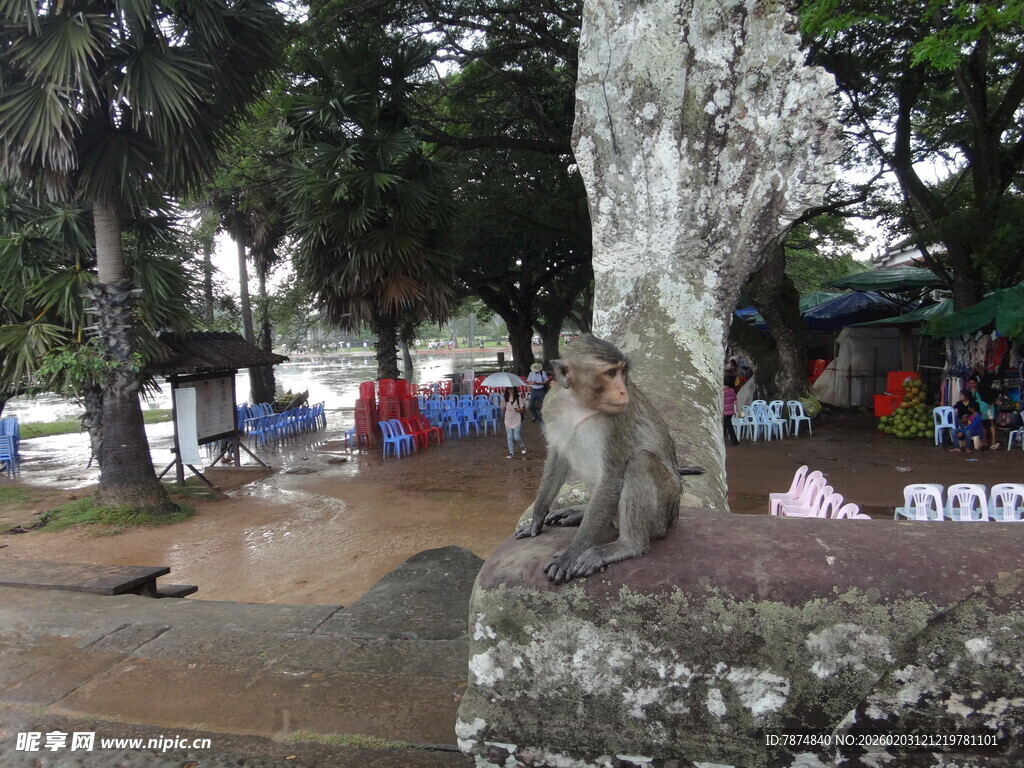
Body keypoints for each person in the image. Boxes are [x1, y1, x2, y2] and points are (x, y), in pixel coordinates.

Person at [968, 376, 999, 449]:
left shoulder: (981, 389)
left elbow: (989, 397)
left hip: (988, 407)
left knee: (991, 423)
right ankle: (984, 441)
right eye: (970, 383)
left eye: (973, 383)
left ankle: (993, 441)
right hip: (980, 409)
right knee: (983, 425)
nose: (972, 385)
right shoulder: (970, 391)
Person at [503, 387, 527, 458]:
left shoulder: (518, 397)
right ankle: (511, 452)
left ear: (514, 389)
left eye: (511, 388)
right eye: (508, 389)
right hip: (508, 419)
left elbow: (522, 407)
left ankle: (522, 446)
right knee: (509, 437)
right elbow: (503, 408)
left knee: (516, 437)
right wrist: (504, 406)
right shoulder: (505, 398)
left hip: (516, 419)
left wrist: (518, 409)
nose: (510, 390)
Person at [723, 378, 739, 446]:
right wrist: (737, 409)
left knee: (728, 427)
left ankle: (735, 442)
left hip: (725, 412)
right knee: (726, 426)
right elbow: (736, 400)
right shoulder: (732, 390)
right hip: (731, 411)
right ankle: (726, 441)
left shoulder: (723, 392)